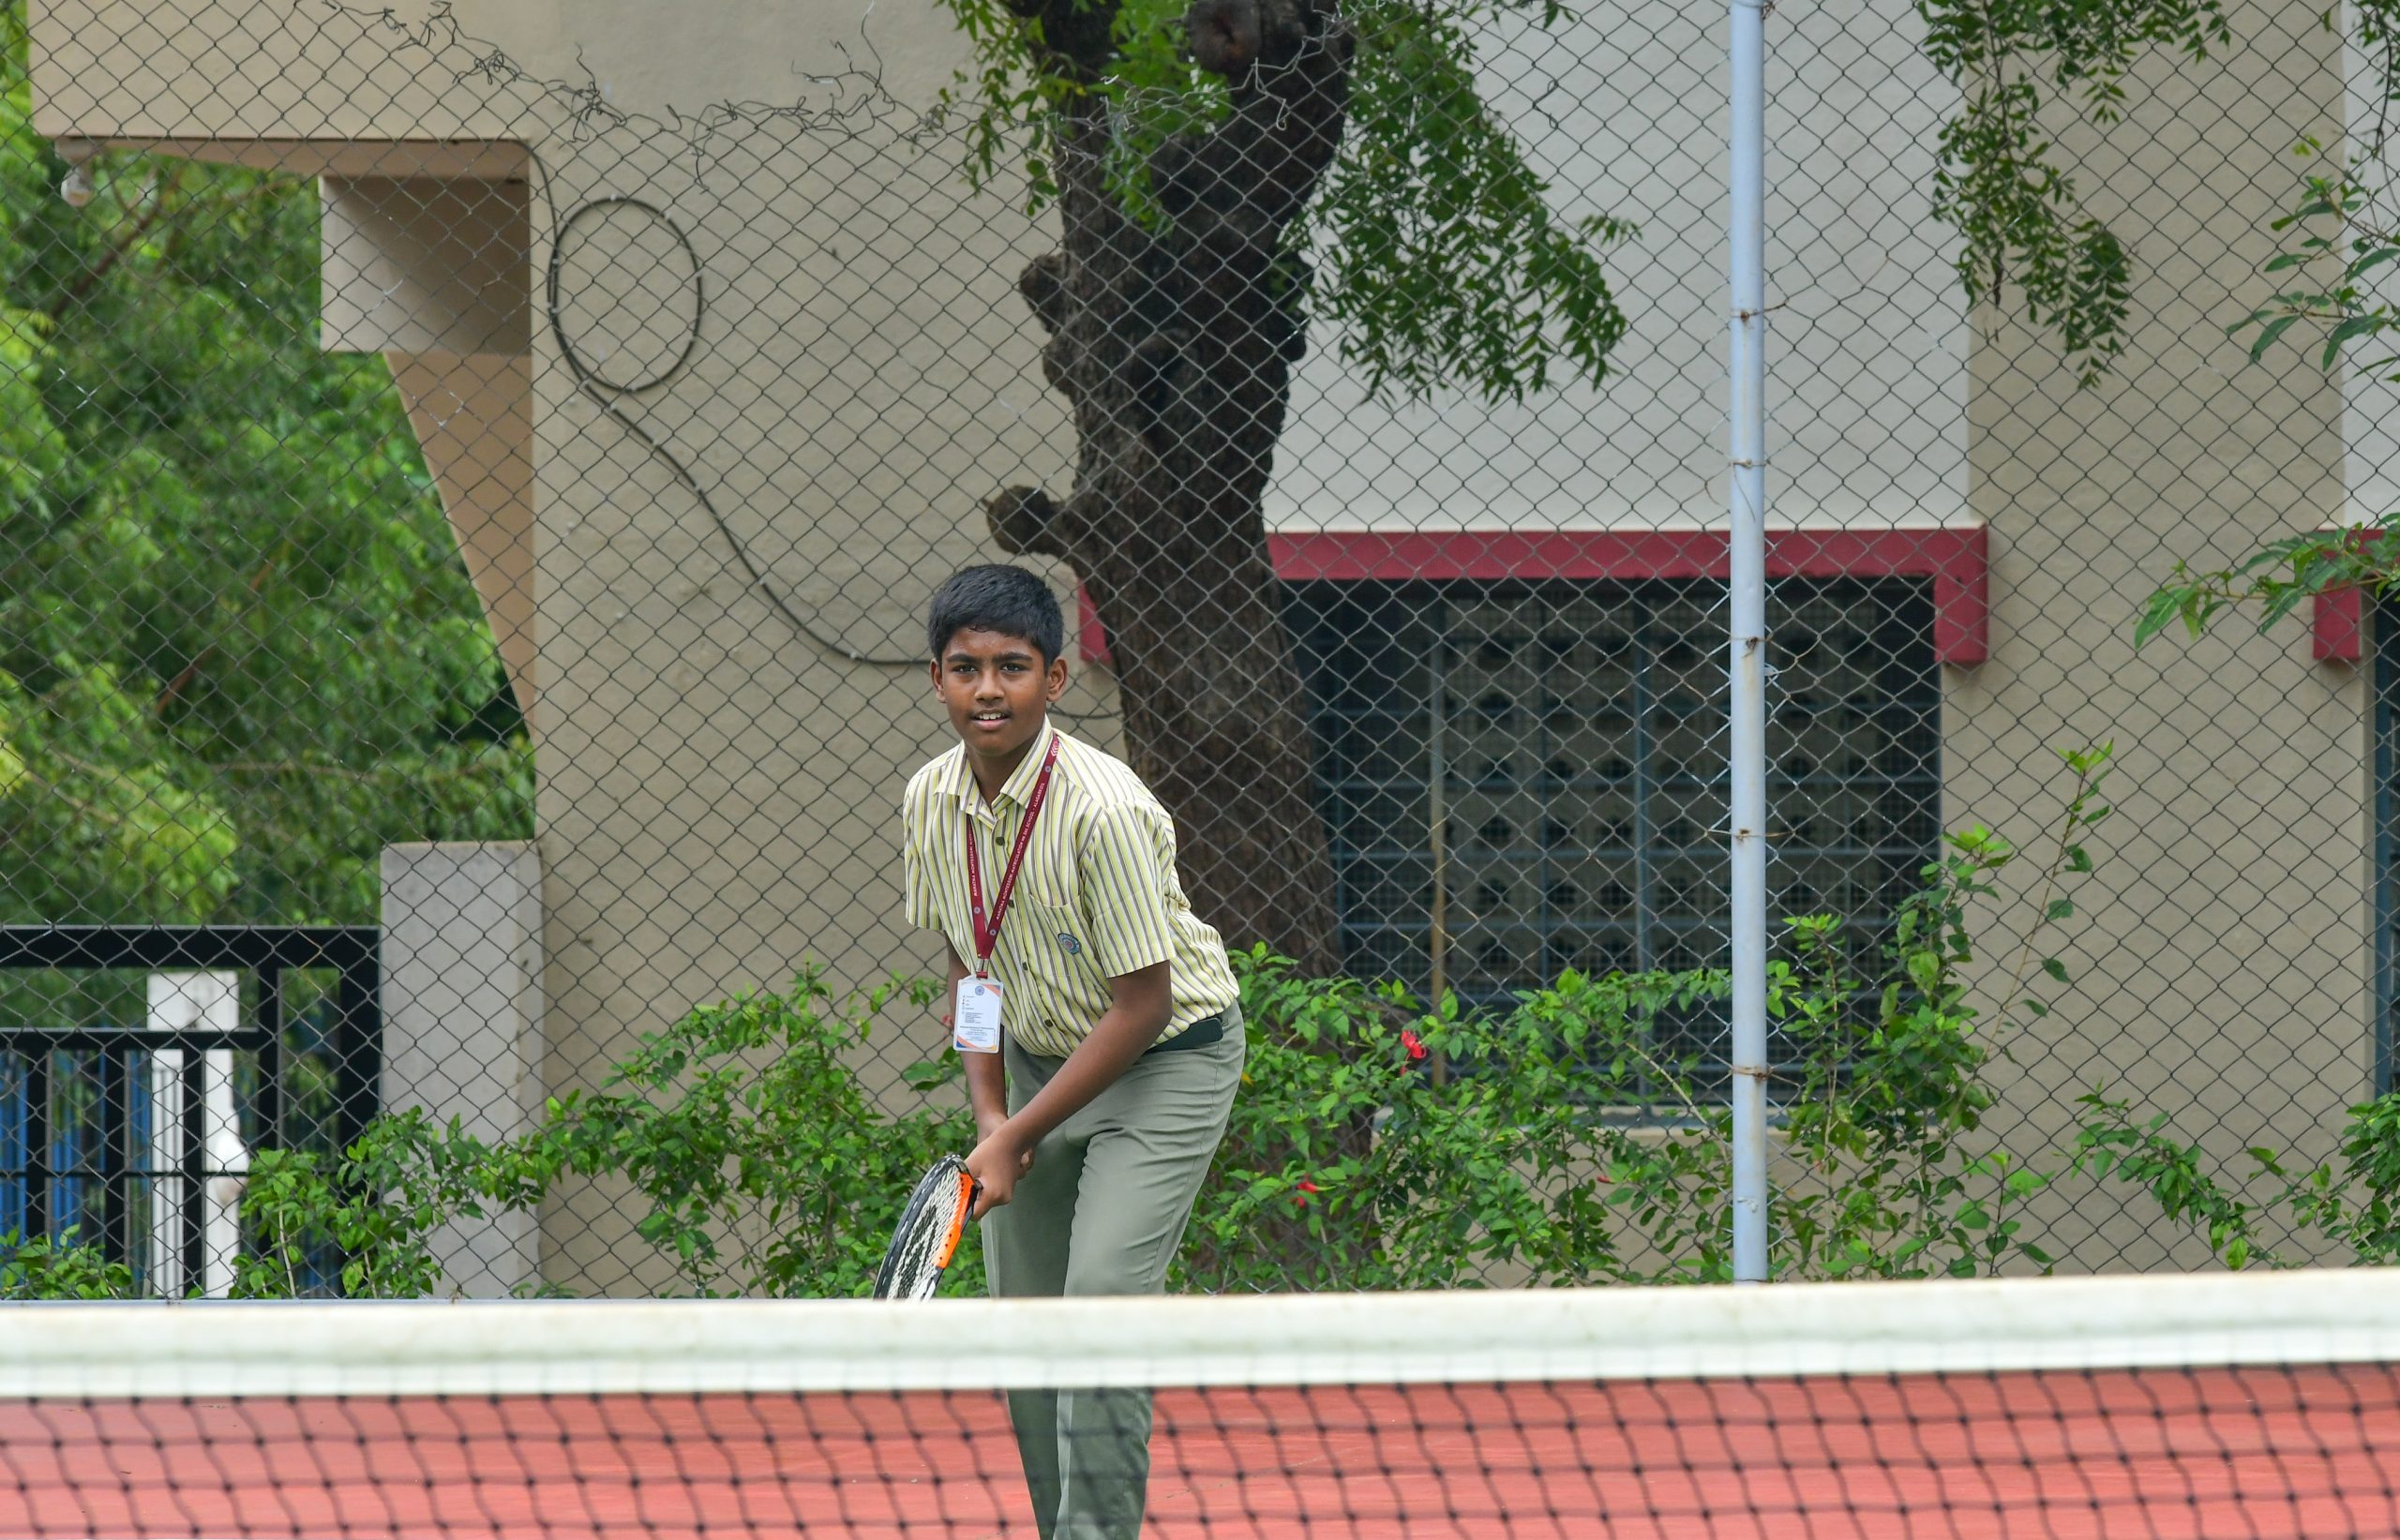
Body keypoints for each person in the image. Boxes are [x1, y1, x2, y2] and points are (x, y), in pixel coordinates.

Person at [899, 563, 1246, 1540]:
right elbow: (972, 972)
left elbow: (1143, 1004)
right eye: (965, 668)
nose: (988, 689)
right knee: (1026, 1320)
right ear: (936, 681)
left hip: (1168, 1059)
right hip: (1043, 1066)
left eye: (1012, 667)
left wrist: (1016, 1131)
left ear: (1054, 680)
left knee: (1096, 1303)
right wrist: (987, 1116)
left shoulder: (1106, 809)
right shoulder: (930, 800)